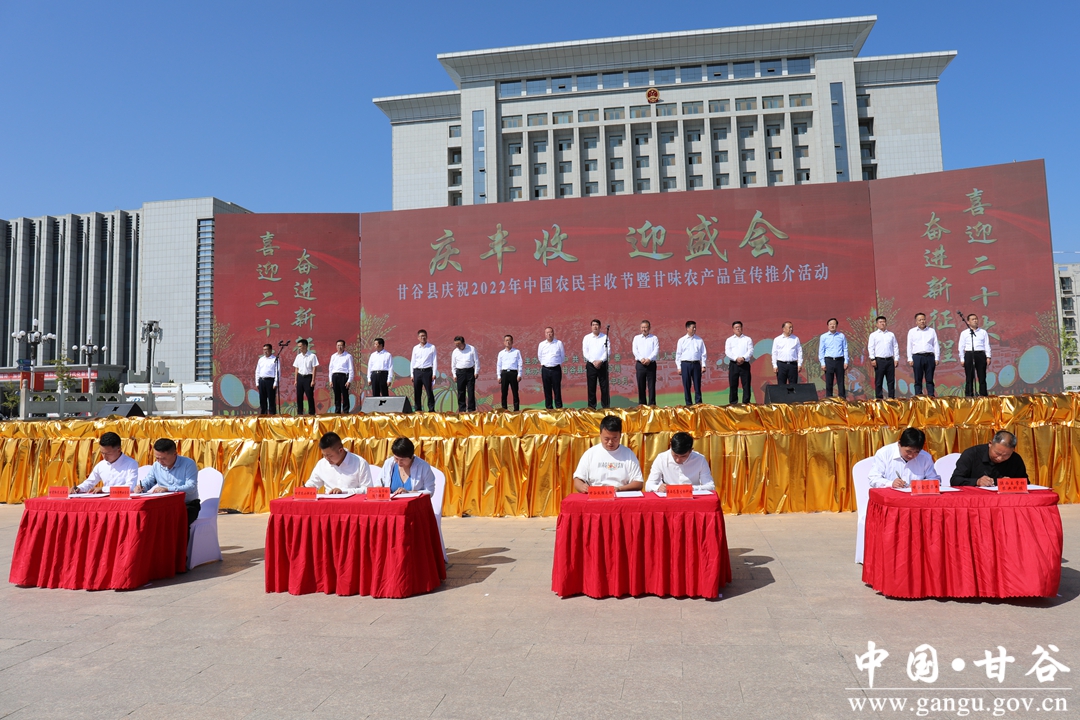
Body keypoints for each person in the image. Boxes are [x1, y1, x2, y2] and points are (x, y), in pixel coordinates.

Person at [137, 438, 201, 526]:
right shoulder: (156, 465)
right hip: (164, 505)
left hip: (186, 504)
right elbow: (149, 481)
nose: (160, 461)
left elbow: (191, 487)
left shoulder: (188, 464)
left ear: (174, 454)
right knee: (147, 519)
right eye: (157, 458)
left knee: (175, 522)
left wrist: (168, 489)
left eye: (163, 458)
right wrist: (141, 487)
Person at [572, 415, 643, 492]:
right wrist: (582, 487)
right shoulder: (590, 453)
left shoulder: (628, 454)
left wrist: (619, 489)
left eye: (614, 438)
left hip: (620, 494)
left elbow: (638, 483)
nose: (610, 442)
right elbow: (578, 479)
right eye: (606, 439)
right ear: (600, 435)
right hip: (597, 494)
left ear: (620, 435)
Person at [867, 427, 940, 489]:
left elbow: (935, 480)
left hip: (916, 498)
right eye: (908, 451)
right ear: (899, 444)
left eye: (916, 452)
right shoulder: (884, 453)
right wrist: (891, 483)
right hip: (890, 498)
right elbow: (873, 478)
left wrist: (919, 485)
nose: (911, 456)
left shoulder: (925, 457)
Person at [644, 432, 715, 493]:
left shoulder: (700, 459)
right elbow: (648, 485)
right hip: (668, 498)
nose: (678, 460)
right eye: (675, 455)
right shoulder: (661, 458)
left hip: (692, 498)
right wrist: (658, 488)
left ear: (691, 450)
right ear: (670, 446)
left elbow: (710, 486)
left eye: (683, 456)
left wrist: (691, 489)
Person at [950, 430, 1027, 487]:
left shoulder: (1016, 459)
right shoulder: (971, 454)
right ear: (990, 444)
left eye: (1006, 455)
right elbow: (955, 480)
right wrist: (977, 481)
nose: (1000, 458)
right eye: (997, 453)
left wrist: (1012, 482)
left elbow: (1025, 483)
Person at [304, 432, 372, 494]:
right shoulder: (322, 464)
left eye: (330, 455)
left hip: (352, 502)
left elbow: (367, 490)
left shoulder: (360, 463)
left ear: (341, 450)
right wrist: (304, 489)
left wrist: (344, 491)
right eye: (324, 455)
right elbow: (313, 483)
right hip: (328, 502)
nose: (327, 458)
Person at [72, 432, 138, 494]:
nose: (104, 457)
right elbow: (89, 482)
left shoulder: (131, 464)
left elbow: (130, 487)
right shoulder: (101, 465)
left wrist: (104, 489)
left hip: (123, 500)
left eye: (108, 453)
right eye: (102, 453)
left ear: (119, 450)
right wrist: (79, 488)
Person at [906, 313, 940, 397]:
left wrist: (937, 357)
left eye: (923, 319)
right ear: (916, 322)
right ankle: (918, 396)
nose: (922, 321)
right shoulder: (912, 331)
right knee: (918, 379)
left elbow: (936, 344)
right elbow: (909, 346)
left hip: (929, 356)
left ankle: (931, 396)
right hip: (917, 357)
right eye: (920, 320)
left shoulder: (931, 331)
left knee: (930, 379)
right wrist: (910, 358)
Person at [959, 314, 992, 397]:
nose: (975, 321)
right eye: (973, 319)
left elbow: (987, 345)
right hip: (969, 354)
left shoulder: (983, 332)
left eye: (976, 319)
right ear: (968, 322)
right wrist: (962, 358)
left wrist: (988, 356)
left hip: (980, 354)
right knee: (969, 377)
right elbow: (961, 346)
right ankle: (969, 395)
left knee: (982, 376)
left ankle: (983, 394)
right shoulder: (964, 333)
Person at [867, 316, 900, 400]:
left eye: (884, 322)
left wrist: (896, 358)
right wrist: (872, 359)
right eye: (880, 322)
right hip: (879, 360)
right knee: (879, 381)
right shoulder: (873, 335)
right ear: (877, 324)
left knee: (891, 380)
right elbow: (871, 347)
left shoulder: (891, 334)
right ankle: (879, 399)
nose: (882, 323)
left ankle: (891, 398)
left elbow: (895, 346)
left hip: (890, 360)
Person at [675, 320, 707, 405]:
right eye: (693, 327)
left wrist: (703, 365)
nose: (695, 329)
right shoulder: (682, 340)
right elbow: (678, 354)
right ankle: (688, 404)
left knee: (697, 384)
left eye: (695, 327)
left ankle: (698, 403)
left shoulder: (699, 340)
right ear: (687, 328)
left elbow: (703, 353)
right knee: (686, 385)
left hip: (696, 364)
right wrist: (679, 367)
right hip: (685, 364)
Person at [582, 319, 610, 410]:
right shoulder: (587, 338)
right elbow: (585, 352)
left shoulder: (605, 337)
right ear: (591, 327)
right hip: (591, 365)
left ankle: (605, 407)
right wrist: (593, 361)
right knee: (591, 387)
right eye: (593, 325)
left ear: (600, 326)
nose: (595, 326)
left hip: (602, 364)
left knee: (604, 387)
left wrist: (601, 361)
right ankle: (591, 407)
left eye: (597, 324)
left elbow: (608, 351)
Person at [819, 318, 849, 399]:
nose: (832, 326)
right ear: (828, 326)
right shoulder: (823, 337)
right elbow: (821, 350)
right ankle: (829, 399)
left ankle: (842, 399)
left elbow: (845, 349)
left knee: (841, 381)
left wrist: (846, 361)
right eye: (830, 324)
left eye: (834, 324)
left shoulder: (841, 336)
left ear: (837, 325)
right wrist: (822, 363)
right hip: (829, 360)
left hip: (839, 360)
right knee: (829, 381)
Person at [725, 321, 754, 405]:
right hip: (734, 364)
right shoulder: (729, 340)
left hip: (745, 364)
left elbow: (750, 350)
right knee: (733, 384)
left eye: (739, 327)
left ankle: (746, 402)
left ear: (742, 328)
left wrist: (743, 358)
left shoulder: (747, 339)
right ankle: (733, 403)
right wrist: (736, 358)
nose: (738, 329)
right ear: (733, 329)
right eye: (736, 327)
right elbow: (728, 351)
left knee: (746, 384)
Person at [538, 327, 565, 410]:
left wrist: (555, 363)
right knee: (547, 389)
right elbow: (540, 356)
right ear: (545, 334)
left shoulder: (558, 343)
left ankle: (559, 408)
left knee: (557, 389)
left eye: (551, 332)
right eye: (547, 332)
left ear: (553, 333)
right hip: (545, 369)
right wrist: (547, 363)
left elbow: (562, 356)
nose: (549, 334)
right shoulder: (542, 344)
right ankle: (549, 408)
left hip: (556, 369)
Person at [632, 320, 659, 406]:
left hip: (651, 364)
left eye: (645, 327)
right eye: (642, 327)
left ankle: (652, 404)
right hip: (640, 364)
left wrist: (649, 359)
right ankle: (642, 404)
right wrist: (641, 359)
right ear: (640, 328)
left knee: (651, 385)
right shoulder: (636, 338)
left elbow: (656, 350)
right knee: (641, 385)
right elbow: (635, 350)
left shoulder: (654, 338)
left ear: (649, 328)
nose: (644, 329)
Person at [410, 329, 437, 412]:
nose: (423, 338)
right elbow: (413, 361)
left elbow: (434, 361)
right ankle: (418, 409)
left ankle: (431, 409)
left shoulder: (432, 347)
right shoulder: (415, 348)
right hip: (417, 371)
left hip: (427, 371)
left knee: (429, 391)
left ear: (427, 336)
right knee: (417, 391)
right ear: (418, 338)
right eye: (421, 336)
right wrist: (412, 374)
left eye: (424, 336)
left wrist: (434, 373)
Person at [451, 335, 479, 412]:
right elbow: (453, 364)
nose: (457, 346)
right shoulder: (455, 352)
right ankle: (462, 409)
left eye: (458, 344)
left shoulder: (471, 349)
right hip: (460, 373)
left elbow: (476, 361)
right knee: (461, 391)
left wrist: (476, 372)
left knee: (470, 391)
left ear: (463, 343)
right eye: (456, 344)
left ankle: (471, 409)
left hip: (470, 372)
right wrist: (454, 374)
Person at [327, 340, 355, 414]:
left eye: (341, 345)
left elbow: (351, 369)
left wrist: (349, 381)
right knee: (337, 395)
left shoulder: (348, 356)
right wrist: (330, 380)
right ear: (336, 347)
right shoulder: (333, 356)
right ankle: (337, 411)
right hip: (335, 376)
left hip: (343, 376)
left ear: (344, 346)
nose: (340, 347)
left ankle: (346, 411)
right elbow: (330, 369)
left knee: (345, 394)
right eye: (338, 345)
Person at [496, 334, 523, 411]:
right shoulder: (501, 353)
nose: (508, 342)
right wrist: (498, 376)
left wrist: (519, 374)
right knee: (504, 393)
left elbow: (520, 363)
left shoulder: (517, 352)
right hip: (504, 373)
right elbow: (498, 365)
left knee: (515, 392)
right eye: (506, 340)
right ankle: (504, 410)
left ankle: (516, 410)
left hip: (513, 373)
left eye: (509, 340)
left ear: (512, 342)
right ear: (504, 342)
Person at [293, 339, 319, 415]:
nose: (299, 348)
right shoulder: (298, 356)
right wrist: (296, 380)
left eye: (300, 346)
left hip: (308, 378)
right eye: (298, 347)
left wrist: (313, 380)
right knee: (299, 396)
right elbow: (296, 368)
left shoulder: (312, 356)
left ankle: (311, 413)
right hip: (300, 377)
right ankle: (300, 413)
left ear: (305, 346)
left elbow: (314, 368)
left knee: (309, 395)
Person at [254, 344, 278, 415]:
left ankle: (272, 415)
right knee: (262, 399)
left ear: (270, 350)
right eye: (264, 350)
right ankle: (263, 415)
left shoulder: (275, 359)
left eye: (266, 349)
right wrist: (257, 382)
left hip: (270, 381)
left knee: (271, 399)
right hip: (262, 381)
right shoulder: (261, 359)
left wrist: (275, 383)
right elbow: (257, 371)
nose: (265, 351)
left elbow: (277, 372)